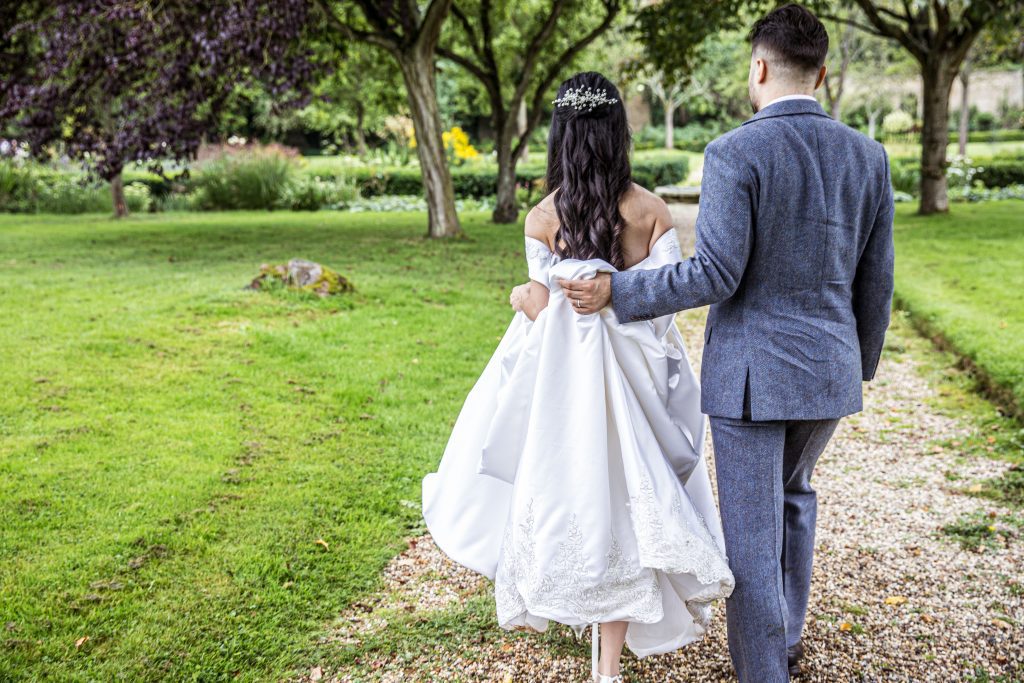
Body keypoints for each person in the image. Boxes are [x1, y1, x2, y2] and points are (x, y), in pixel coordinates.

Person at [559, 5, 895, 682]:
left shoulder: (734, 152)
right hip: (831, 373)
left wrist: (617, 293)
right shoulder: (869, 156)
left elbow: (716, 273)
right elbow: (877, 278)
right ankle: (789, 635)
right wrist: (856, 365)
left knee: (751, 534)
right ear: (824, 74)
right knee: (796, 494)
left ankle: (765, 670)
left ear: (758, 66)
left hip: (751, 380)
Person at [422, 71, 734, 683]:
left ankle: (571, 600)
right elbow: (664, 305)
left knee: (574, 493)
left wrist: (526, 297)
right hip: (634, 387)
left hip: (563, 392)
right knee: (628, 504)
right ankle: (608, 667)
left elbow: (544, 318)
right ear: (618, 134)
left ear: (560, 137)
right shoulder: (649, 212)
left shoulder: (543, 217)